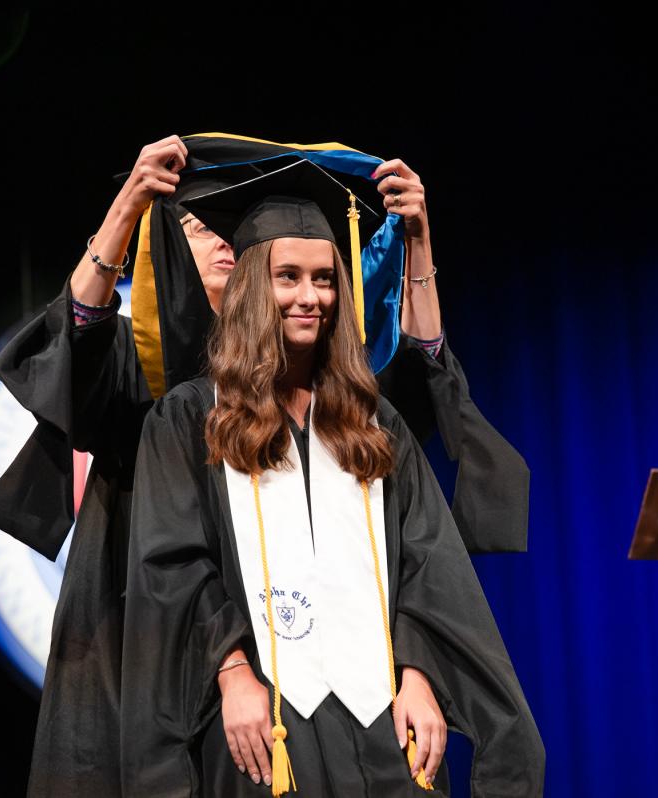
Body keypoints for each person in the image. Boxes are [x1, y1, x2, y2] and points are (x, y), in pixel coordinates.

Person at [0, 134, 533, 796]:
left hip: (348, 683)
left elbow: (413, 492)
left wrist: (418, 666)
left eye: (321, 277)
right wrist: (126, 208)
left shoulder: (348, 403)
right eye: (199, 227)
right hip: (166, 638)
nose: (222, 244)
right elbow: (76, 342)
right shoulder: (153, 384)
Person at [119, 160, 544, 796]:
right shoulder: (189, 417)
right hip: (262, 724)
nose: (309, 297)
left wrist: (419, 672)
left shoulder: (373, 423)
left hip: (380, 720)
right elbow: (173, 566)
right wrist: (231, 673)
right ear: (252, 288)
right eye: (287, 277)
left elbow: (427, 565)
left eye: (323, 279)